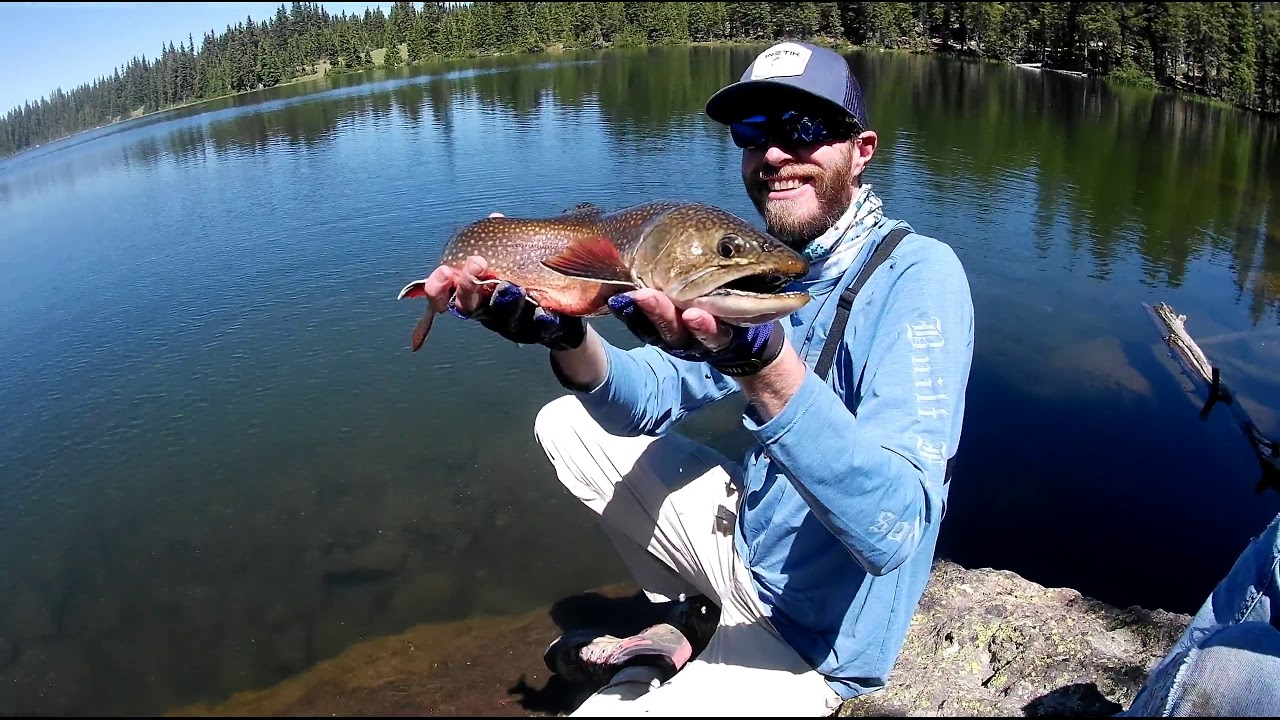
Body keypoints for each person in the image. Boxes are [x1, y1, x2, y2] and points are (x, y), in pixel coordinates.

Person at [416, 41, 976, 715]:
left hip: (814, 643)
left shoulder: (920, 277)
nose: (772, 155)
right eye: (752, 133)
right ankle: (687, 617)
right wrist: (564, 335)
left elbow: (893, 530)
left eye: (802, 128)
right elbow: (643, 400)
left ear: (861, 149)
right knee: (564, 422)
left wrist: (759, 366)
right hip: (744, 548)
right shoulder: (771, 277)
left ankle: (687, 652)